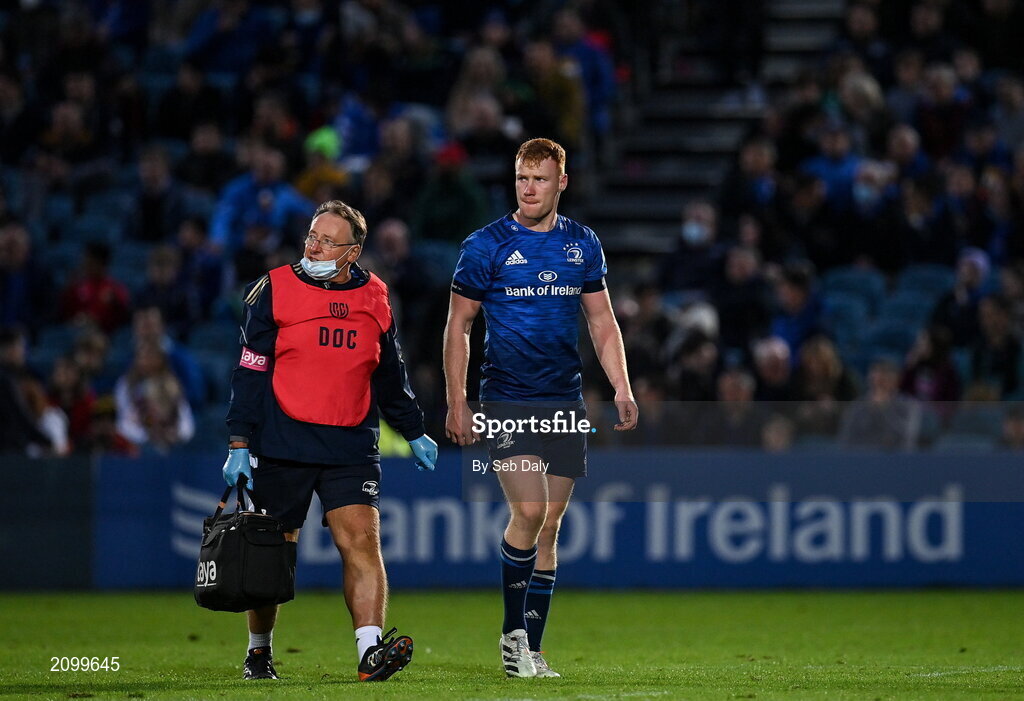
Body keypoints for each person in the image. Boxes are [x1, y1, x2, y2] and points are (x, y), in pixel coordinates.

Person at [443, 138, 637, 679]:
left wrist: (621, 387)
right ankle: (512, 636)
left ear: (561, 183)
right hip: (507, 398)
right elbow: (458, 325)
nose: (529, 189)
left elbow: (602, 322)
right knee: (529, 511)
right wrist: (457, 400)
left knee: (549, 525)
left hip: (564, 400)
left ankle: (534, 648)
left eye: (540, 179)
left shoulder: (582, 243)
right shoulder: (485, 245)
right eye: (522, 178)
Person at [223, 199, 438, 682]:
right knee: (273, 552)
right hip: (283, 441)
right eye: (312, 236)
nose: (313, 247)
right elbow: (249, 370)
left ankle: (369, 655)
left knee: (361, 540)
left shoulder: (376, 296)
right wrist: (239, 442)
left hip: (350, 445)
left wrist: (414, 430)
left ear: (352, 252)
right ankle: (259, 652)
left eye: (326, 241)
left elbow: (390, 373)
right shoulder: (273, 288)